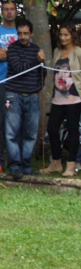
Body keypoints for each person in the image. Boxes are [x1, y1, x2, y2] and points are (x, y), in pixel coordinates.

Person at [4, 20, 45, 180]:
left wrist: (38, 87)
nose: (22, 36)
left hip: (32, 95)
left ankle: (26, 165)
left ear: (31, 34)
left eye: (26, 33)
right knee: (12, 133)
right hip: (13, 94)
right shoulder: (12, 49)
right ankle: (15, 166)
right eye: (20, 33)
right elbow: (19, 69)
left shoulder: (36, 50)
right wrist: (37, 59)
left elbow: (43, 72)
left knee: (31, 133)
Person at [40, 22, 81, 177]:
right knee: (52, 129)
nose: (63, 38)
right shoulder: (57, 51)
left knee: (72, 131)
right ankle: (56, 162)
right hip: (58, 98)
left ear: (72, 36)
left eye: (66, 35)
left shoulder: (78, 52)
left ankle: (71, 165)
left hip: (74, 98)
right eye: (61, 34)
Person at [0, 1, 18, 174]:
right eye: (5, 9)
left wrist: (5, 52)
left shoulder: (21, 30)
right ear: (2, 12)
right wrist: (16, 53)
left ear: (16, 11)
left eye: (11, 9)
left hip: (18, 82)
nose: (8, 12)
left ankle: (15, 161)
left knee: (15, 123)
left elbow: (4, 53)